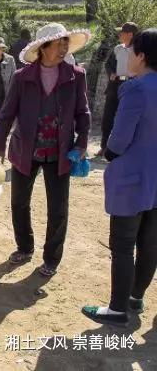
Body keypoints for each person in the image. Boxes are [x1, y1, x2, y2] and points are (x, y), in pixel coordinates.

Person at [0, 23, 91, 277]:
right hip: (25, 150)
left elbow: (83, 112)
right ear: (43, 49)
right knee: (18, 203)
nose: (64, 48)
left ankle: (51, 258)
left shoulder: (76, 75)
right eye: (59, 44)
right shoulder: (22, 78)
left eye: (66, 43)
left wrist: (81, 144)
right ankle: (24, 247)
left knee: (58, 208)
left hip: (59, 152)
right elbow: (6, 115)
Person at [82, 29, 157, 328]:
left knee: (124, 245)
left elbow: (119, 139)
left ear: (141, 55)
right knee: (150, 243)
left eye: (130, 51)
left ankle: (116, 309)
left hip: (133, 179)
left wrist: (110, 154)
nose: (126, 55)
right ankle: (136, 297)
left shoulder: (137, 89)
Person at [99, 22, 140, 156]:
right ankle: (104, 146)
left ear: (130, 34)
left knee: (127, 118)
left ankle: (126, 148)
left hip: (131, 86)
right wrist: (111, 72)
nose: (119, 34)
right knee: (108, 116)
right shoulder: (117, 48)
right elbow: (109, 64)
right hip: (115, 86)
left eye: (122, 32)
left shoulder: (138, 51)